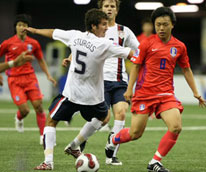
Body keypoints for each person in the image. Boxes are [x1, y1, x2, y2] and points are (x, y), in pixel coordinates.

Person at [25, 8, 135, 170]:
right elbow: (132, 54)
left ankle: (48, 162)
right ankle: (75, 145)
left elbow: (53, 32)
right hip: (92, 98)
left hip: (72, 94)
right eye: (103, 25)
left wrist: (34, 31)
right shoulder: (105, 44)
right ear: (93, 26)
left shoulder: (75, 36)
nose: (106, 28)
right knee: (104, 118)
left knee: (51, 121)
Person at [105, 7, 206, 172]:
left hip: (166, 94)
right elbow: (136, 67)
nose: (161, 28)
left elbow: (187, 69)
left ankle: (154, 162)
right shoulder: (146, 43)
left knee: (176, 127)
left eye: (164, 24)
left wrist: (196, 92)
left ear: (172, 25)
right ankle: (113, 139)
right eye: (158, 24)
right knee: (135, 134)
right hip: (144, 93)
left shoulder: (179, 47)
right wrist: (129, 90)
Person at [0, 14, 56, 145]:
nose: (22, 28)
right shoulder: (8, 43)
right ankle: (19, 117)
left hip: (30, 78)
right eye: (19, 25)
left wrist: (48, 75)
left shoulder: (33, 43)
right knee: (25, 110)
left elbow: (41, 60)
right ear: (15, 27)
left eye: (24, 25)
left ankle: (43, 136)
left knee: (39, 107)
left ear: (28, 28)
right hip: (14, 79)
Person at [97, 0, 139, 165]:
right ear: (101, 9)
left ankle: (111, 153)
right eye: (106, 6)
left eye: (112, 6)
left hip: (120, 80)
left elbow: (139, 48)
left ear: (117, 10)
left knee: (121, 113)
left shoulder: (124, 31)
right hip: (99, 81)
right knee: (102, 118)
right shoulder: (95, 30)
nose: (109, 9)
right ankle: (79, 144)